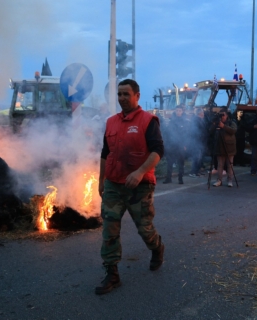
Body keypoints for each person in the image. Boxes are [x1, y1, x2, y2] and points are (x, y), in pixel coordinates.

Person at [96, 79, 165, 295]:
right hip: (114, 185)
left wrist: (140, 172)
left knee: (144, 228)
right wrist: (101, 180)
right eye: (119, 94)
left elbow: (157, 151)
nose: (122, 98)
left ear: (137, 96)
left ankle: (157, 247)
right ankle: (112, 273)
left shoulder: (148, 121)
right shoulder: (110, 122)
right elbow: (105, 154)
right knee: (109, 229)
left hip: (140, 186)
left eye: (126, 94)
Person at [211, 108, 237, 187]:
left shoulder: (231, 123)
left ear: (227, 116)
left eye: (223, 115)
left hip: (229, 148)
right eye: (221, 115)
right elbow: (210, 131)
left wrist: (224, 126)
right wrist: (214, 124)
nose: (222, 117)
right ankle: (219, 180)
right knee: (220, 165)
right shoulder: (217, 123)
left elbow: (233, 131)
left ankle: (230, 180)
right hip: (219, 147)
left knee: (229, 165)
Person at [163, 105, 188, 184]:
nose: (178, 112)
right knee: (169, 162)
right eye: (177, 110)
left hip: (180, 145)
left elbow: (186, 134)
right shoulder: (171, 120)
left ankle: (180, 178)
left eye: (179, 111)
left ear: (182, 111)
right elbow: (167, 132)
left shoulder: (184, 121)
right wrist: (166, 143)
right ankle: (168, 178)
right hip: (171, 145)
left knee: (181, 162)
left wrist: (185, 145)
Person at [188, 108, 207, 177]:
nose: (204, 114)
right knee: (196, 157)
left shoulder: (201, 120)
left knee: (199, 157)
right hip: (197, 142)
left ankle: (197, 171)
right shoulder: (196, 120)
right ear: (200, 113)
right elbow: (195, 131)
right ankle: (194, 171)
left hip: (200, 141)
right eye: (203, 113)